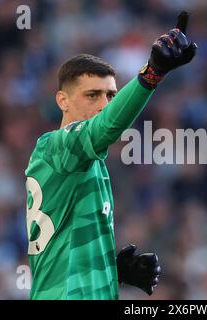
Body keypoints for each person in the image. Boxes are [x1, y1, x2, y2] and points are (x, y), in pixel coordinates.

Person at [24, 11, 197, 299]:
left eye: (111, 96)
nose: (105, 104)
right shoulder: (53, 146)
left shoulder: (91, 163)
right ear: (62, 101)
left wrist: (110, 272)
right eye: (93, 95)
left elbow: (63, 250)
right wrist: (152, 74)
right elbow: (106, 127)